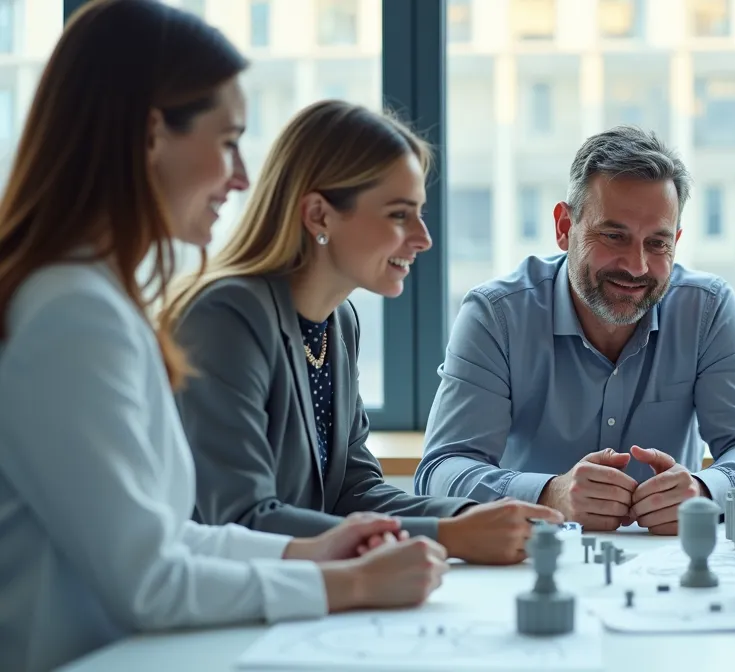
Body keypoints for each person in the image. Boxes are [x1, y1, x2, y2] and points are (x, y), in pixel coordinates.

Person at [0, 3, 448, 670]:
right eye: (228, 139)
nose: (241, 177)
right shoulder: (73, 314)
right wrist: (344, 584)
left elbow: (172, 537)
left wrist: (308, 551)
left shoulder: (99, 299)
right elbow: (148, 580)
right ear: (152, 134)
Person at [161, 101, 564, 566]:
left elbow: (353, 492)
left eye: (419, 213)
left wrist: (476, 517)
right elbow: (242, 520)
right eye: (399, 215)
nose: (423, 237)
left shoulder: (338, 322)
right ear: (319, 215)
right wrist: (450, 535)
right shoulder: (225, 317)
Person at [415, 125, 735, 534]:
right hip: (532, 558)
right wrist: (548, 494)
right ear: (564, 227)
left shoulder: (707, 309)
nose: (637, 266)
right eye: (614, 236)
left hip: (669, 565)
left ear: (676, 241)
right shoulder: (496, 316)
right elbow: (440, 471)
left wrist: (702, 489)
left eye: (658, 243)